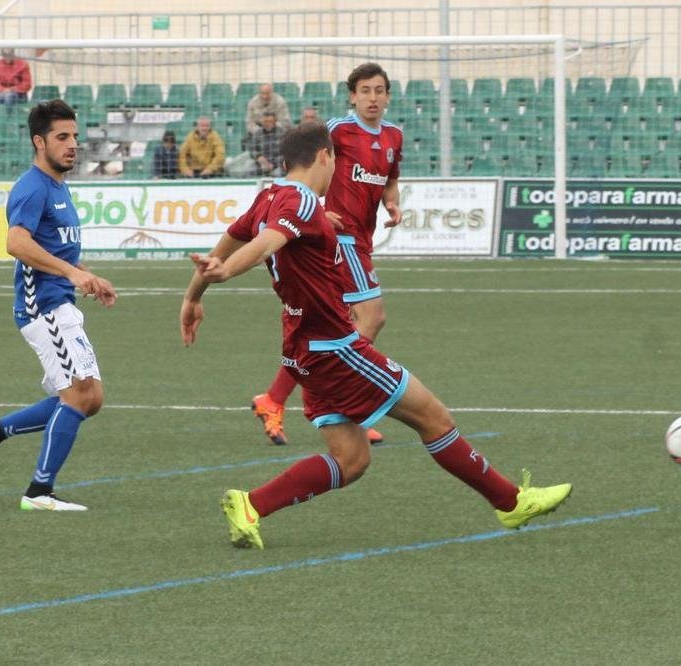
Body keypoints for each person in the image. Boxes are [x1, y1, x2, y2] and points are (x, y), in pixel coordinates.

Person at [181, 122, 572, 549]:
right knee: (434, 418)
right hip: (336, 348)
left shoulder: (271, 197)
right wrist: (226, 273)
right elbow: (266, 244)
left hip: (304, 350)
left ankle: (250, 504)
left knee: (351, 460)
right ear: (325, 156)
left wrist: (193, 297)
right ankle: (511, 501)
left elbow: (227, 243)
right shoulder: (297, 203)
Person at [0, 99, 117, 511]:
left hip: (61, 302)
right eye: (62, 137)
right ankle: (39, 492)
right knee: (80, 394)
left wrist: (87, 274)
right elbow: (16, 242)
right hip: (43, 308)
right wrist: (71, 275)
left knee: (91, 397)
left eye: (75, 137)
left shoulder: (58, 186)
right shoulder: (31, 187)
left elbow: (57, 248)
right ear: (38, 142)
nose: (72, 145)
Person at [250, 62, 402, 447]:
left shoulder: (393, 136)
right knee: (371, 316)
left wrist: (393, 204)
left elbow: (390, 177)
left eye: (379, 90)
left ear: (387, 96)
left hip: (362, 241)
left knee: (337, 327)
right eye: (365, 90)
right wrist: (315, 213)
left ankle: (274, 398)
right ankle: (347, 405)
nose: (372, 97)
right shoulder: (337, 131)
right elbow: (302, 173)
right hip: (339, 240)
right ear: (352, 95)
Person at [247, 111, 286, 176]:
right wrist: (258, 157)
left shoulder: (282, 133)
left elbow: (286, 153)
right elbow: (252, 149)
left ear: (275, 122)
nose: (267, 124)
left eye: (270, 121)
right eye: (265, 121)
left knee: (277, 174)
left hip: (278, 165)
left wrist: (273, 164)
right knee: (249, 170)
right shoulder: (258, 133)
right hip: (261, 164)